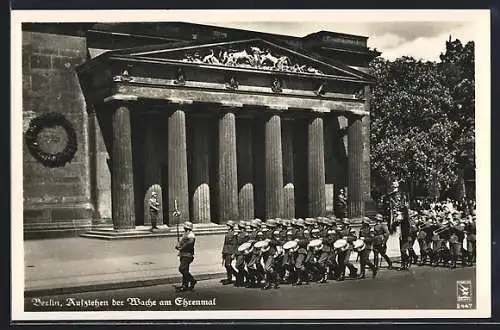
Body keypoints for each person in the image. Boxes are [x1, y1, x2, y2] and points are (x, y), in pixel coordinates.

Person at [174, 221, 197, 291]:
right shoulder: (184, 234)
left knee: (182, 269)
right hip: (182, 254)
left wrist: (181, 247)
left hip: (188, 254)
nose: (184, 228)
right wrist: (178, 245)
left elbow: (189, 244)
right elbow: (181, 242)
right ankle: (185, 285)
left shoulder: (191, 235)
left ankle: (192, 280)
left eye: (185, 227)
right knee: (185, 270)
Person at [221, 220, 237, 285]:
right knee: (226, 265)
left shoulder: (234, 234)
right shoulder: (227, 233)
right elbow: (225, 243)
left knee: (228, 265)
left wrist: (234, 253)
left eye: (228, 225)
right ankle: (229, 278)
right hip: (226, 251)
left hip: (231, 251)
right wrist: (223, 252)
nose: (227, 226)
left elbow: (235, 244)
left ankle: (235, 276)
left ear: (231, 226)